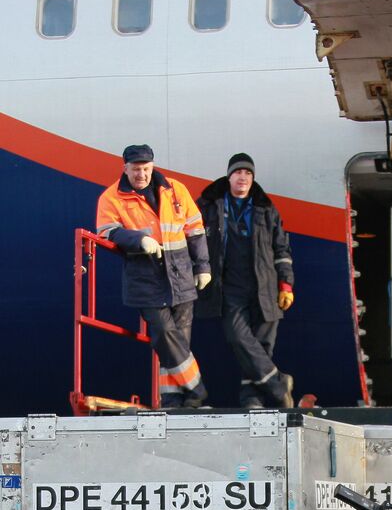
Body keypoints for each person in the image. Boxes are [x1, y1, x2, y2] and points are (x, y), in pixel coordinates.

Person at [96, 144, 211, 408]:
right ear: (125, 168)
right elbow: (106, 230)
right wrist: (139, 240)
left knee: (177, 341)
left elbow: (195, 229)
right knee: (164, 334)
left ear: (152, 166)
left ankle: (174, 399)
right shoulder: (111, 198)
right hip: (146, 280)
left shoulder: (175, 190)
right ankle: (196, 388)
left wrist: (203, 267)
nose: (142, 175)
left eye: (146, 169)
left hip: (180, 275)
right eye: (136, 170)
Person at [196, 153, 295, 409]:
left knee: (262, 346)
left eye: (248, 173)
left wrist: (286, 285)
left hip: (265, 286)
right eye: (238, 172)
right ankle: (277, 383)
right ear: (229, 176)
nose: (243, 177)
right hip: (229, 286)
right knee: (238, 337)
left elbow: (282, 250)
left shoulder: (266, 209)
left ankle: (251, 398)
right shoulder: (209, 205)